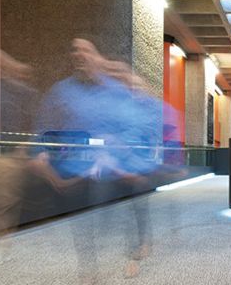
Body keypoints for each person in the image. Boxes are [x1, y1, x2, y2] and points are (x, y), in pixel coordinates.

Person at [30, 37, 161, 284]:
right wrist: (41, 151)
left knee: (126, 211)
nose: (79, 54)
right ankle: (88, 269)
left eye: (85, 50)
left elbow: (133, 128)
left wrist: (115, 152)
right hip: (78, 169)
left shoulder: (116, 91)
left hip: (116, 167)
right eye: (74, 50)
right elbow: (46, 126)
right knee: (81, 221)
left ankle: (133, 254)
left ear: (95, 56)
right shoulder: (62, 91)